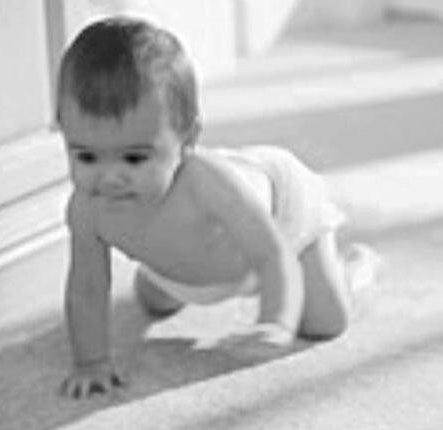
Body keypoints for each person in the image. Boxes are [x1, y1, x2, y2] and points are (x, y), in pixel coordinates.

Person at [56, 17, 380, 399]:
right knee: (153, 303)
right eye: (86, 156)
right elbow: (87, 288)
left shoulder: (209, 182)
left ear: (187, 140)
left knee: (325, 323)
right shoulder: (87, 208)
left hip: (282, 224)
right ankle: (164, 270)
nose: (109, 178)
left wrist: (275, 322)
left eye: (134, 158)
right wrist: (90, 362)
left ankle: (354, 269)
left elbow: (272, 253)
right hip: (189, 256)